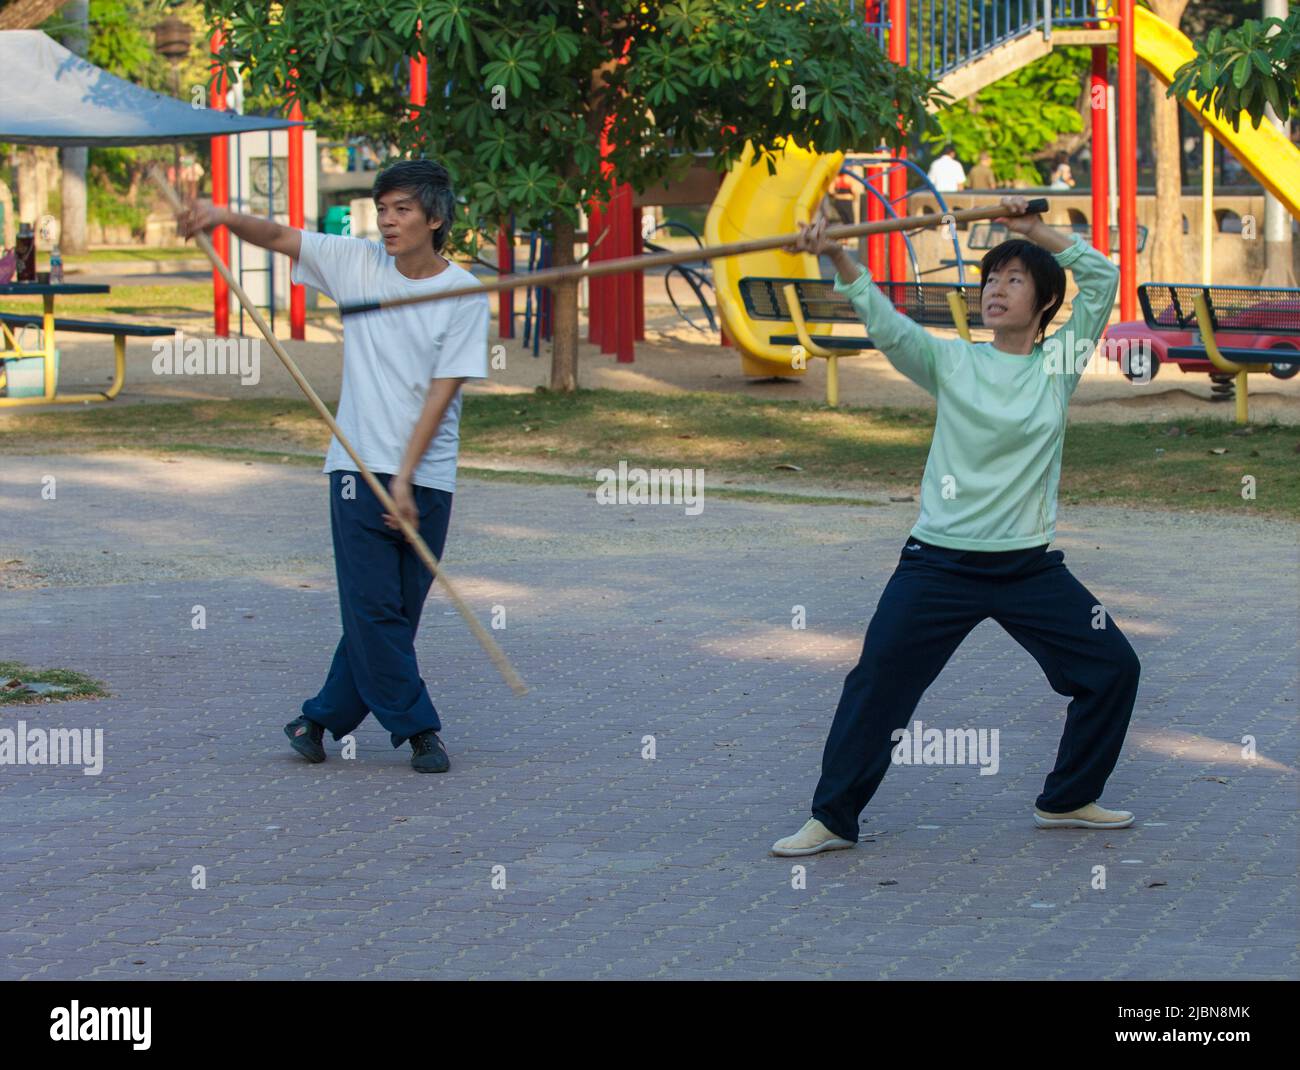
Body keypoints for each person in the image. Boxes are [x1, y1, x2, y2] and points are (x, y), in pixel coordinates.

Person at [770, 196, 1138, 857]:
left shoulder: (1056, 366)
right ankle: (832, 818)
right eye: (990, 279)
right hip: (938, 565)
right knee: (877, 683)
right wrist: (834, 252)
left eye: (1014, 279)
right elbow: (886, 324)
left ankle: (1067, 798)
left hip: (1027, 568)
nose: (996, 289)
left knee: (1113, 669)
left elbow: (1105, 278)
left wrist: (1035, 234)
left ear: (1044, 302)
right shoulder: (953, 363)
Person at [177, 159, 489, 774]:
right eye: (383, 210)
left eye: (402, 210)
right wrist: (218, 216)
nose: (388, 221)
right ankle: (419, 729)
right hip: (355, 467)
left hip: (428, 476)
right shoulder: (356, 264)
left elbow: (441, 393)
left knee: (395, 616)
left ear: (435, 218)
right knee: (374, 610)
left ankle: (316, 720)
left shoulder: (464, 296)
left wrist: (403, 480)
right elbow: (277, 236)